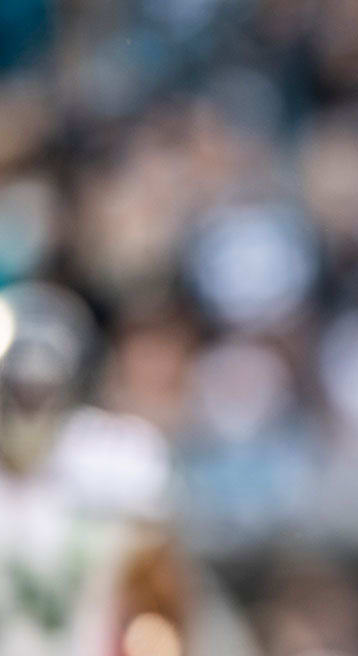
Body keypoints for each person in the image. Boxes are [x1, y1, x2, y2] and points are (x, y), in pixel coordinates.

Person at [0, 281, 187, 656]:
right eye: (18, 389)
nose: (29, 407)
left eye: (41, 390)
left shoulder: (118, 458)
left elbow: (159, 603)